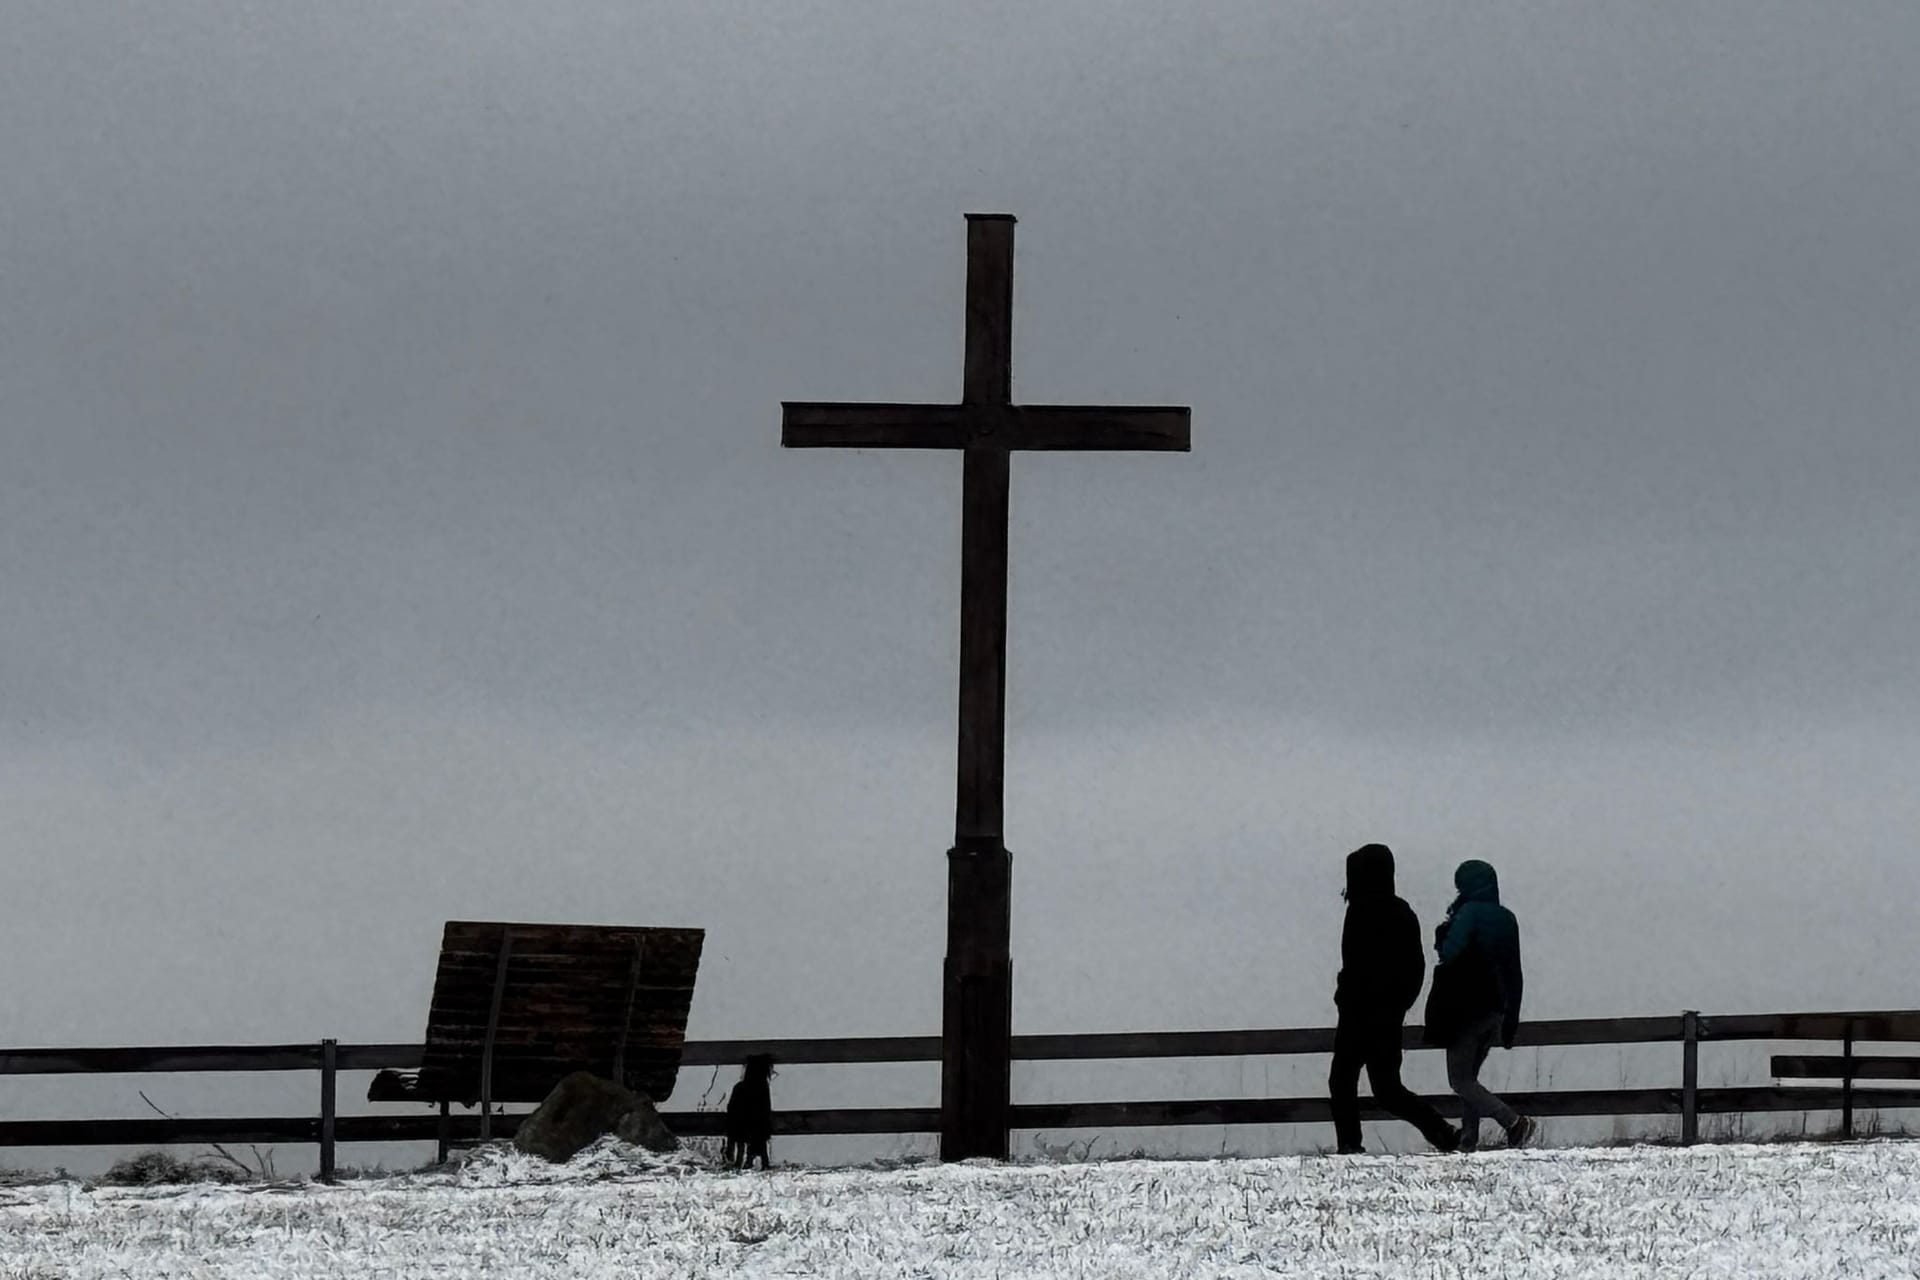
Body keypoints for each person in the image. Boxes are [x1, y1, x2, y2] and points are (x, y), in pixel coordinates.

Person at [1328, 843, 1460, 1154]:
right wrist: (1400, 1003)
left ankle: (1350, 1144)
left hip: (1359, 1013)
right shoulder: (1402, 912)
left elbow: (1353, 964)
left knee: (1342, 1079)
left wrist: (1345, 994)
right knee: (1387, 1088)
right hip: (1387, 1015)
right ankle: (1441, 1131)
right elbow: (1416, 966)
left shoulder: (1358, 911)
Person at [1427, 859, 1536, 1151]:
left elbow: (1449, 953)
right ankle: (1468, 1140)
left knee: (1460, 1080)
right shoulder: (1507, 918)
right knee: (1471, 1078)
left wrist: (1442, 936)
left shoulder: (1469, 914)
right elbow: (1515, 970)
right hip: (1495, 1010)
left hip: (1465, 1009)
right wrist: (1511, 1017)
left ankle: (1513, 1122)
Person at [724, 1053, 776, 1169]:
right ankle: (759, 1160)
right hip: (756, 1128)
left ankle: (742, 1160)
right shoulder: (763, 1087)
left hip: (739, 1127)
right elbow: (765, 1114)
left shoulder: (739, 1087)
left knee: (751, 1129)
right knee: (759, 1126)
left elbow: (731, 1110)